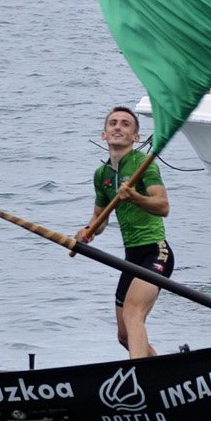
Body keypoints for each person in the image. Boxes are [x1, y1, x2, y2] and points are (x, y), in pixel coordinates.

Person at [75, 105, 172, 358]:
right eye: (113, 123)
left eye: (126, 124)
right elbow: (100, 217)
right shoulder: (102, 175)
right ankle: (161, 377)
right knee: (124, 336)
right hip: (132, 257)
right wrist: (87, 231)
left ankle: (139, 379)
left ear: (136, 137)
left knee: (133, 313)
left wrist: (135, 197)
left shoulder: (143, 163)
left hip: (155, 252)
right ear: (104, 134)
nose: (118, 127)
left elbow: (163, 207)